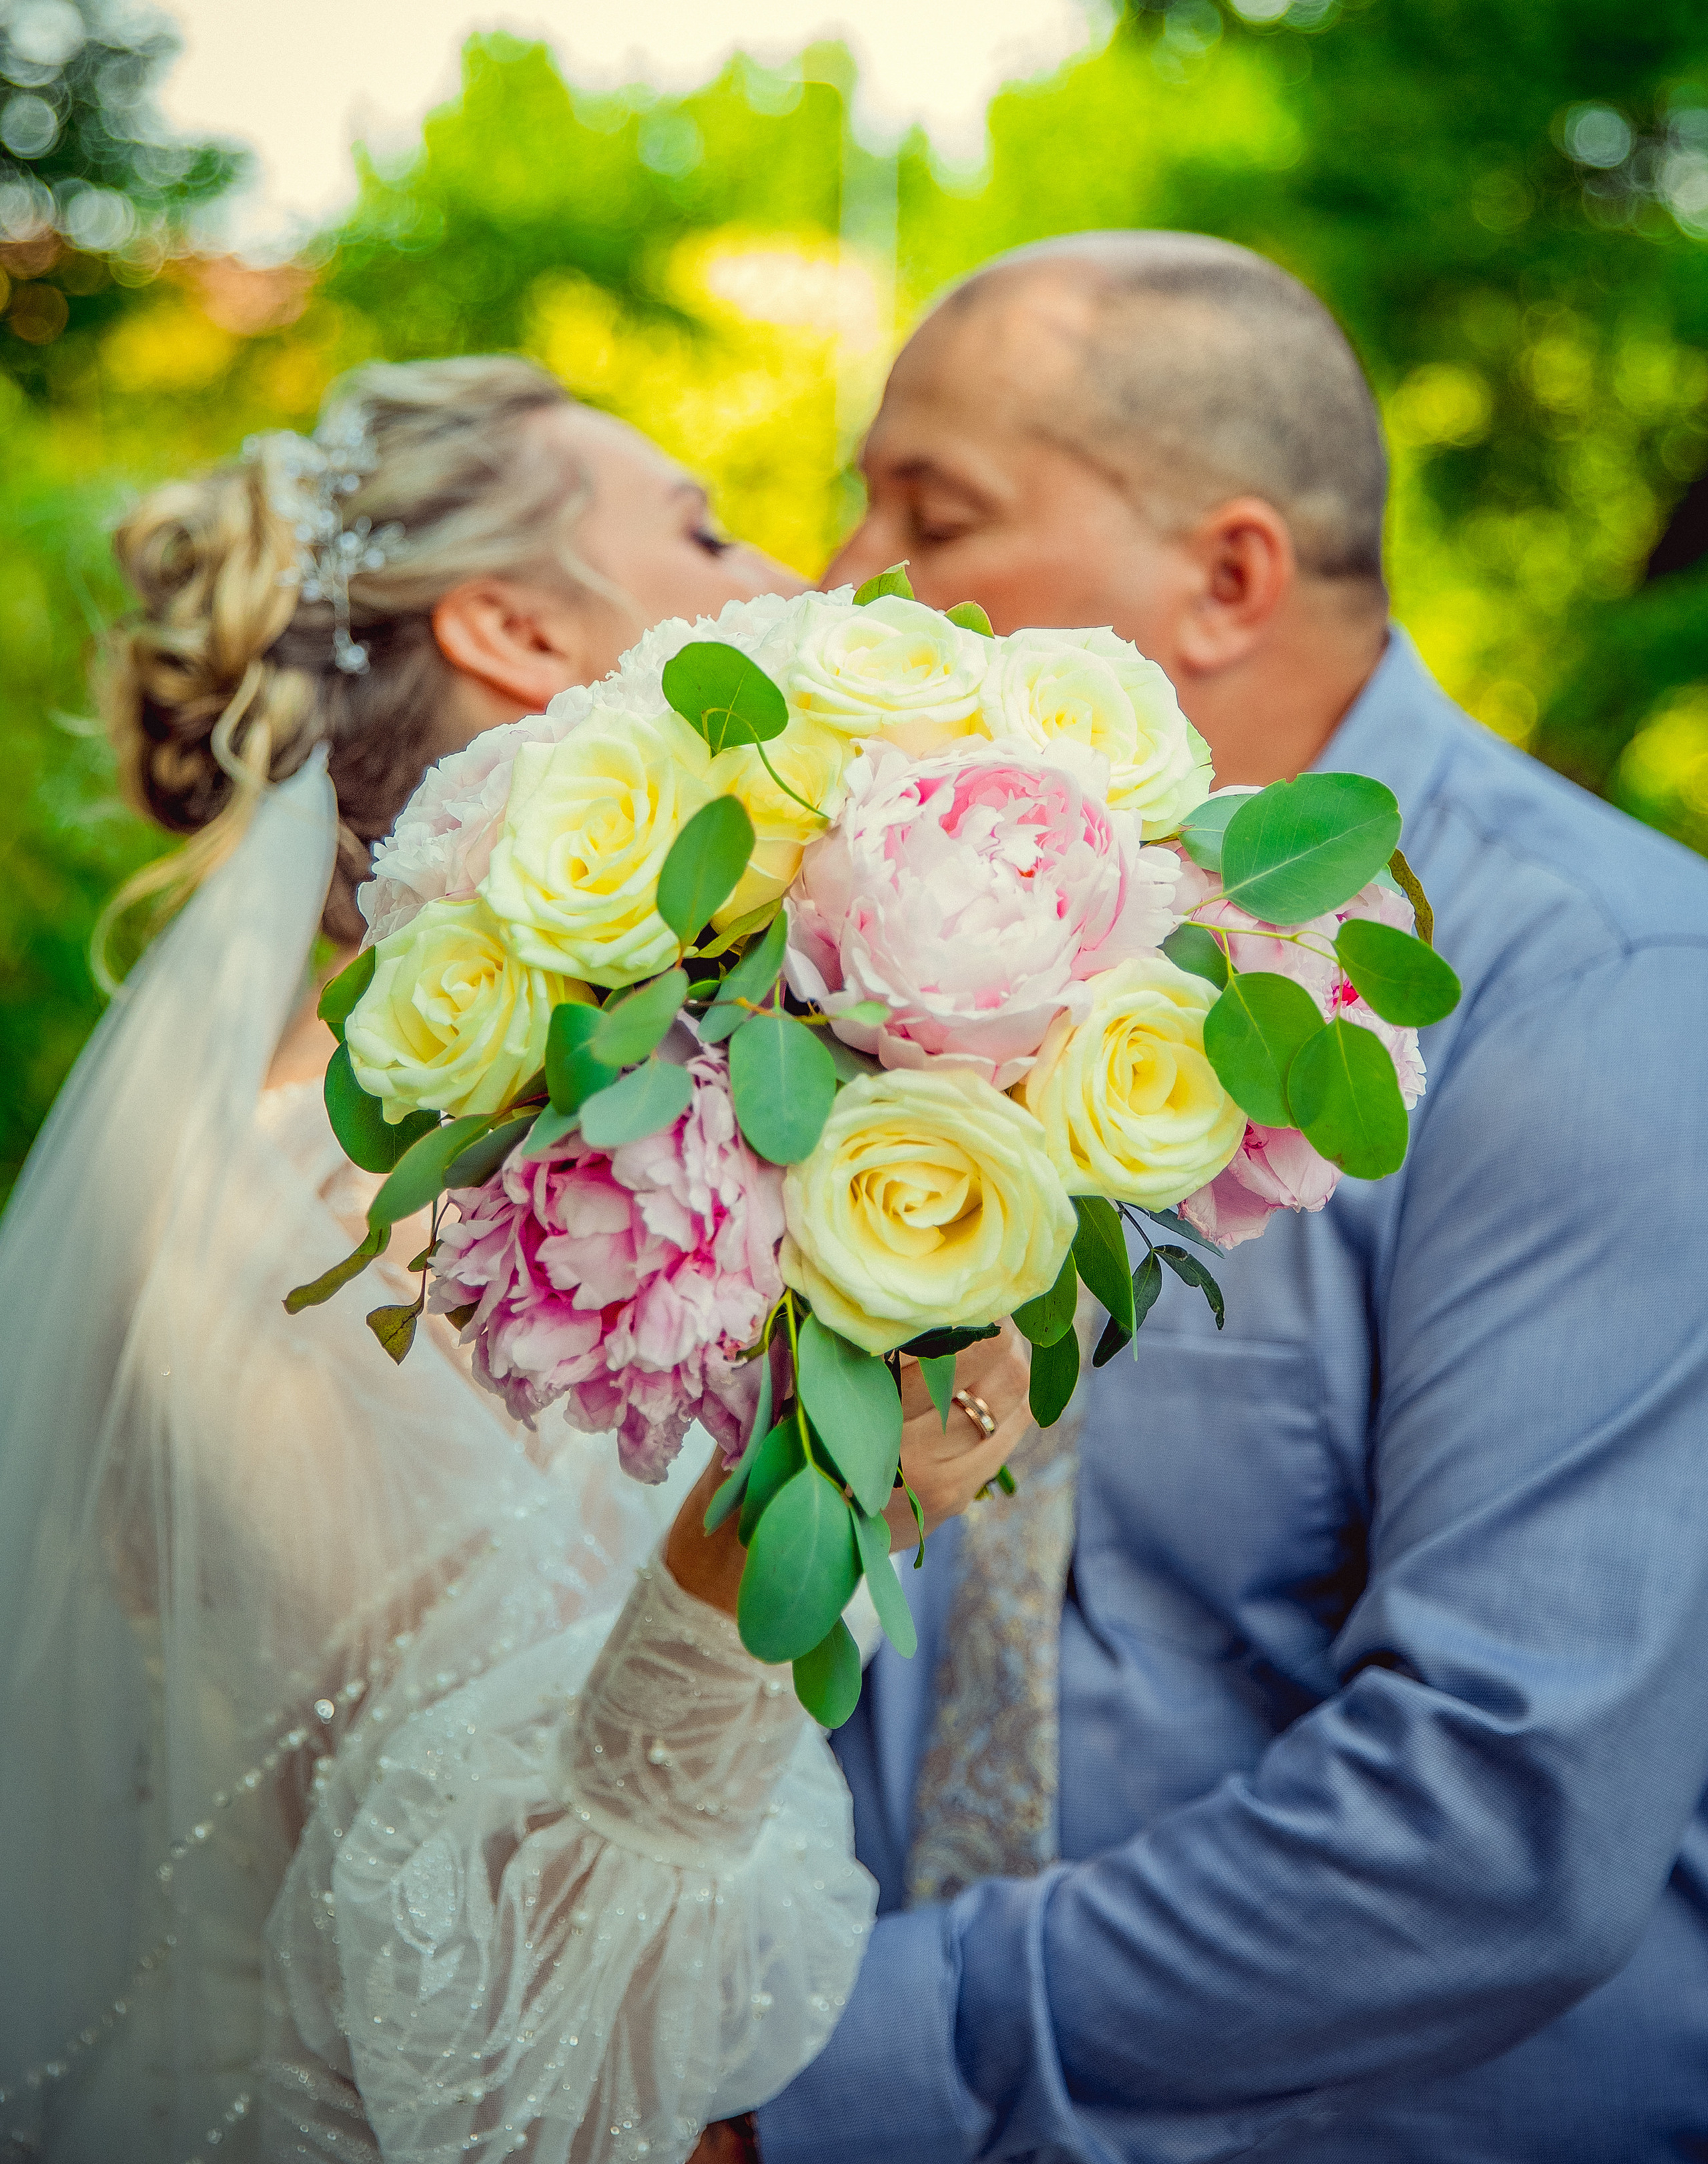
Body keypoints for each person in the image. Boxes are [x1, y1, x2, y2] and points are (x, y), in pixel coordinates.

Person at [0, 356, 1030, 2164]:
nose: (792, 569)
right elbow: (514, 2041)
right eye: (705, 526)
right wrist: (768, 1522)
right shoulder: (338, 1213)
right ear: (516, 629)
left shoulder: (469, 1133)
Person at [749, 232, 1708, 2161]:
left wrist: (832, 2082)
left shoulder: (1606, 989)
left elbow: (1493, 1814)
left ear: (1227, 575)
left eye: (930, 516)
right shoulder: (928, 948)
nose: (846, 581)